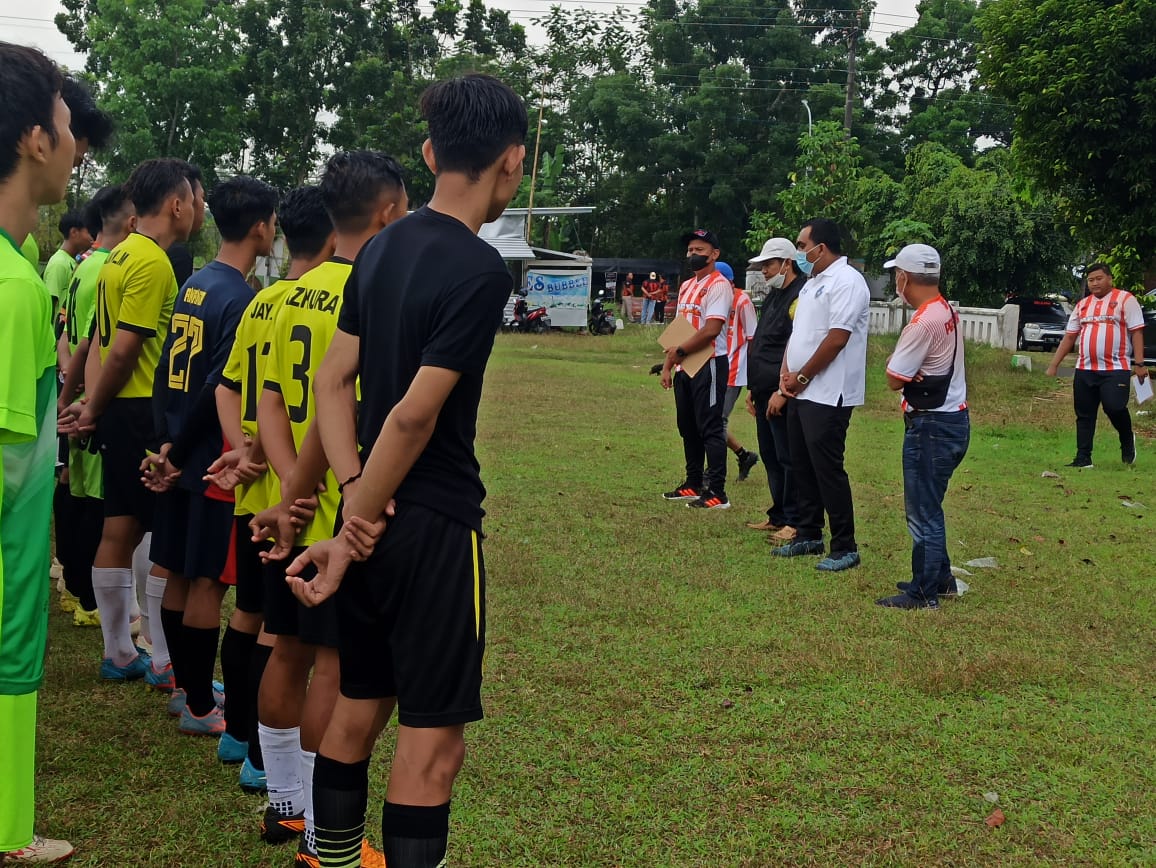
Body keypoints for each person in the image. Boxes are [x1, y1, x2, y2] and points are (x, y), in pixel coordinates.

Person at [278, 73, 526, 868]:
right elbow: (414, 417)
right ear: (511, 161)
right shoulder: (481, 270)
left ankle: (331, 860)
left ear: (428, 153)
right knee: (431, 746)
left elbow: (332, 382)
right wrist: (357, 522)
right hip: (432, 527)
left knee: (358, 709)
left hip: (367, 512)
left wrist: (354, 496)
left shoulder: (378, 248)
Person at [253, 151, 405, 868]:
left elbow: (271, 399)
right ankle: (321, 833)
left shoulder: (284, 295)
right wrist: (327, 490)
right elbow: (340, 402)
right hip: (347, 510)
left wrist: (289, 490)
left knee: (284, 648)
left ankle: (284, 802)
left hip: (293, 502)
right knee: (336, 670)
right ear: (388, 211)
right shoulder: (375, 288)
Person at [208, 184, 336, 793]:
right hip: (311, 496)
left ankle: (244, 741)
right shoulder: (346, 296)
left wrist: (243, 451)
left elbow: (235, 387)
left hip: (260, 489)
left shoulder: (264, 301)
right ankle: (275, 768)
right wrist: (288, 476)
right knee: (301, 645)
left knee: (256, 617)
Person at [143, 176, 280, 739]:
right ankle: (200, 705)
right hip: (208, 456)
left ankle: (185, 687)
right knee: (206, 581)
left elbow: (164, 371)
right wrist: (181, 450)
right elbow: (215, 388)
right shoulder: (240, 299)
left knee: (178, 569)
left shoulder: (195, 282)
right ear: (260, 227)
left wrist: (164, 442)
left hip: (180, 447)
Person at [60, 157, 198, 681]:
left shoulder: (116, 255)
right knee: (161, 535)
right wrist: (93, 406)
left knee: (119, 526)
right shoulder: (152, 262)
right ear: (177, 205)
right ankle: (164, 660)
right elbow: (122, 348)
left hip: (121, 408)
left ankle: (119, 651)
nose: (197, 209)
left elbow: (96, 339)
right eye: (194, 200)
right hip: (142, 410)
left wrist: (90, 402)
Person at [0, 40, 77, 866]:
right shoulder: (14, 285)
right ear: (33, 138)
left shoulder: (19, 265)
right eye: (65, 124)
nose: (74, 144)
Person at [56, 186, 136, 629]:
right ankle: (87, 597)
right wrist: (86, 396)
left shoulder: (84, 266)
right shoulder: (110, 268)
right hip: (95, 400)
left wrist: (68, 388)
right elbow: (94, 342)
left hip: (80, 393)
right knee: (98, 505)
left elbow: (69, 337)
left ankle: (74, 587)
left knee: (78, 491)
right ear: (131, 220)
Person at [874, 244, 970, 610]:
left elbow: (893, 377)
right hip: (952, 420)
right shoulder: (946, 310)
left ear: (904, 277)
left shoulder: (921, 323)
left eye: (896, 275)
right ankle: (940, 580)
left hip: (930, 426)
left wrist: (897, 363)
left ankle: (924, 592)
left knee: (923, 512)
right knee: (930, 505)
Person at [772, 218, 869, 572]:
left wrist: (802, 376)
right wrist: (786, 373)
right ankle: (809, 533)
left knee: (827, 468)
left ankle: (845, 546)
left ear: (821, 247)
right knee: (801, 463)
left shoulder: (848, 281)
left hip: (830, 391)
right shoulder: (812, 283)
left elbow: (837, 338)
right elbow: (799, 334)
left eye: (801, 245)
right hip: (801, 390)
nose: (799, 252)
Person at [1045, 263, 1148, 467]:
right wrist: (1054, 364)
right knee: (1084, 414)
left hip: (1115, 368)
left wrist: (1139, 363)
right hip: (1085, 369)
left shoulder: (1125, 300)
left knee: (1114, 407)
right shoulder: (1082, 305)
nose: (1094, 283)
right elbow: (1070, 337)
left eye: (1099, 278)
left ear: (1109, 278)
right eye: (1091, 280)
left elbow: (1137, 332)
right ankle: (1083, 457)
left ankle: (1127, 438)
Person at [661, 229, 733, 510]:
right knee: (688, 427)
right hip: (684, 365)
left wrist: (679, 352)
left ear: (714, 254)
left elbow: (711, 330)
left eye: (699, 250)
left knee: (710, 428)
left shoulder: (719, 285)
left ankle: (717, 492)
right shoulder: (688, 285)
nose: (693, 255)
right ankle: (692, 483)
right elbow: (680, 327)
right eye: (690, 250)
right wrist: (669, 364)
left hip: (709, 363)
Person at [744, 237, 806, 540]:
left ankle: (795, 520)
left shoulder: (801, 295)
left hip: (781, 392)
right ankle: (778, 514)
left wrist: (781, 391)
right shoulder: (774, 295)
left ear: (787, 263)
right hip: (761, 388)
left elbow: (797, 346)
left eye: (768, 264)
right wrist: (752, 388)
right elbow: (763, 342)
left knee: (787, 456)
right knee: (770, 454)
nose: (764, 271)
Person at [716, 261, 760, 482]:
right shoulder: (713, 299)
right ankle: (744, 455)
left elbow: (753, 338)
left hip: (734, 369)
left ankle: (713, 472)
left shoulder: (742, 301)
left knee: (717, 421)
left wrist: (753, 376)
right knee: (709, 420)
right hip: (713, 365)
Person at [43, 209, 89, 325]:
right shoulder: (59, 264)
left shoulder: (72, 261)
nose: (91, 237)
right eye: (88, 232)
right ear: (74, 232)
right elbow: (49, 304)